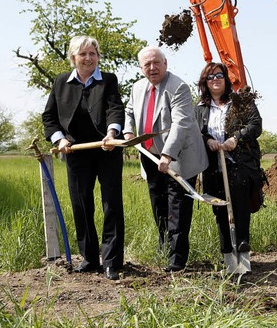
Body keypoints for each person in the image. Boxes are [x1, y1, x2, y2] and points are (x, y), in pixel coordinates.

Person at [42, 35, 125, 280]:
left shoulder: (108, 80)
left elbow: (114, 108)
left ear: (98, 56)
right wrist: (60, 139)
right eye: (83, 54)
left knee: (111, 204)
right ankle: (89, 259)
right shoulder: (60, 82)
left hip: (106, 150)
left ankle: (111, 261)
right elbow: (49, 117)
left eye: (93, 53)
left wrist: (112, 133)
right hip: (76, 153)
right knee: (81, 205)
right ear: (73, 58)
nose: (88, 58)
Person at [124, 46, 208, 272]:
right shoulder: (137, 87)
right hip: (150, 156)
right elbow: (129, 111)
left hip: (178, 156)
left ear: (165, 63)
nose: (152, 68)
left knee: (177, 207)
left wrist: (167, 154)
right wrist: (128, 132)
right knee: (158, 203)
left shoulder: (178, 87)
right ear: (141, 68)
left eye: (156, 63)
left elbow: (182, 123)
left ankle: (177, 260)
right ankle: (164, 248)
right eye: (147, 64)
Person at [195, 62, 263, 271]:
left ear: (225, 79)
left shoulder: (240, 102)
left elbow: (256, 124)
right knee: (220, 209)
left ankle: (243, 252)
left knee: (240, 208)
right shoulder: (200, 108)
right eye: (210, 77)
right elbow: (197, 131)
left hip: (240, 164)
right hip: (213, 166)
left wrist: (236, 138)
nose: (215, 80)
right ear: (205, 83)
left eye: (219, 75)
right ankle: (227, 256)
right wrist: (208, 140)